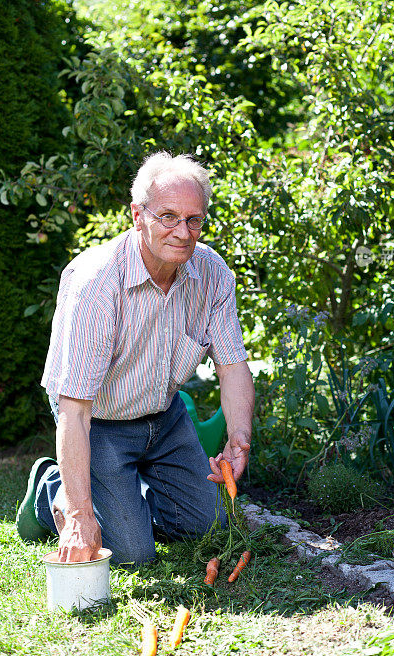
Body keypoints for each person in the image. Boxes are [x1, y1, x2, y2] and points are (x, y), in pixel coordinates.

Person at [16, 152, 255, 565]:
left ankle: (125, 495)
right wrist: (79, 515)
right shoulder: (96, 284)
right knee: (131, 554)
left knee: (210, 529)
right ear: (137, 215)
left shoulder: (213, 274)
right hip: (99, 422)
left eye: (193, 219)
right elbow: (73, 410)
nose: (183, 232)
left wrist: (238, 437)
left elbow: (232, 366)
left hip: (165, 418)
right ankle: (52, 489)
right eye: (168, 216)